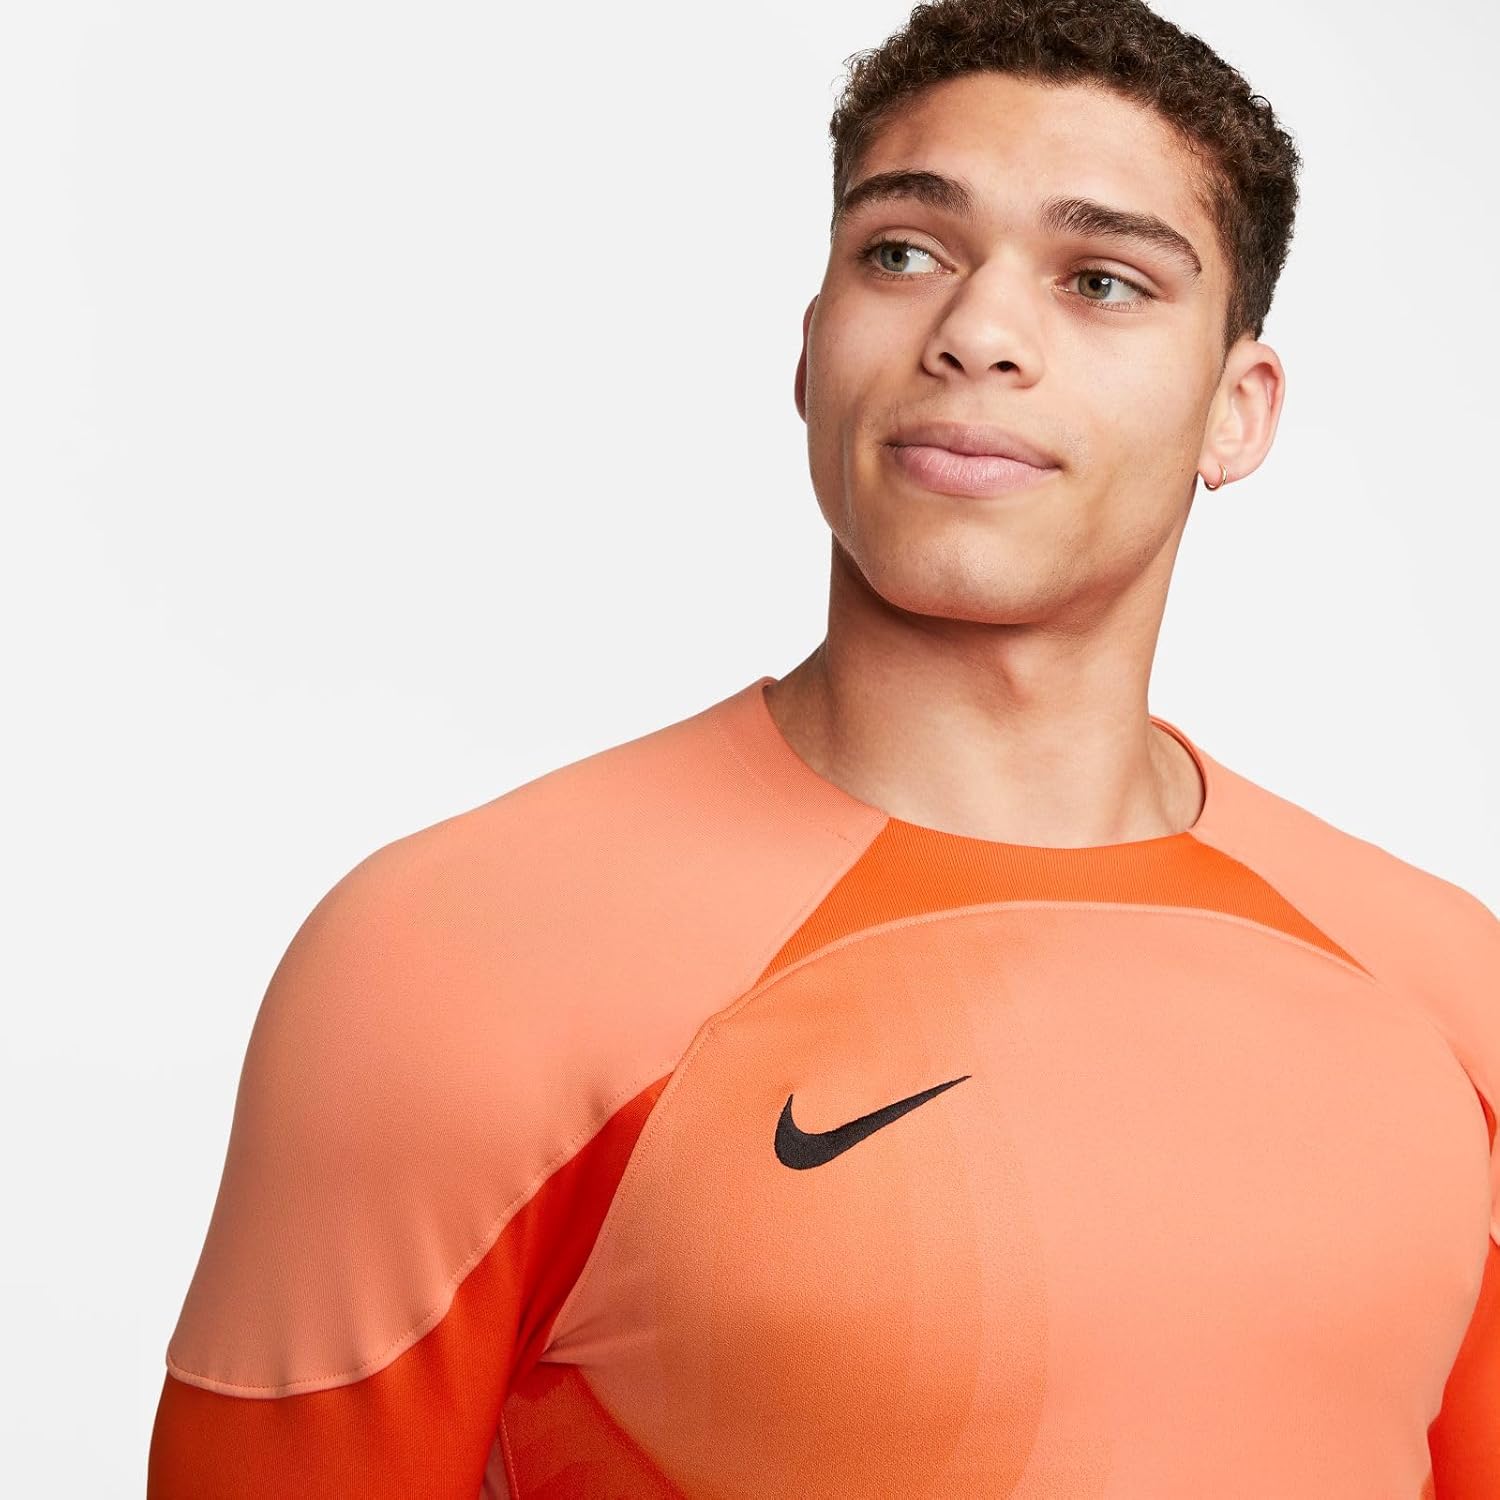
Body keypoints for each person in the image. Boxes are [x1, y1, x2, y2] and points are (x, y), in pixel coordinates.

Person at [147, 1, 1500, 1494]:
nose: (976, 332)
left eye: (1101, 281)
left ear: (1236, 412)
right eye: (903, 254)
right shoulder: (449, 960)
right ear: (812, 350)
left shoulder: (1449, 995)